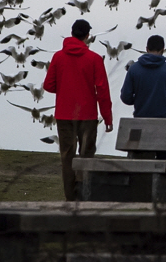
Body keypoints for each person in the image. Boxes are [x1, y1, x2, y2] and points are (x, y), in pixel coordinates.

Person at [42, 18, 113, 201]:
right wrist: (108, 117)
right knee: (86, 155)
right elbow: (102, 91)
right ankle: (84, 194)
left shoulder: (58, 57)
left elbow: (48, 86)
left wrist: (65, 86)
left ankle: (70, 196)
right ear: (88, 36)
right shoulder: (95, 59)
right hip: (87, 115)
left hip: (64, 114)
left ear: (72, 33)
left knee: (67, 156)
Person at [120, 34, 166, 118]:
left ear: (146, 49)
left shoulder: (134, 69)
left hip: (139, 122)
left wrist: (139, 99)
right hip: (163, 123)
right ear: (162, 50)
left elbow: (125, 97)